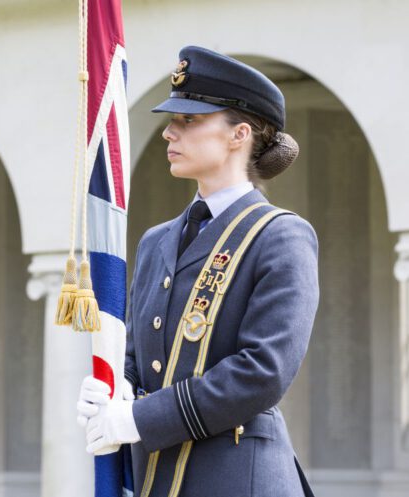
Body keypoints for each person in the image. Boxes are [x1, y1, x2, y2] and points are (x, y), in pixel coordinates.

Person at [77, 45, 319, 497]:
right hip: (158, 477)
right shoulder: (156, 241)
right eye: (173, 119)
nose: (169, 132)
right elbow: (137, 355)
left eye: (189, 120)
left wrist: (137, 418)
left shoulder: (281, 236)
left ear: (238, 134)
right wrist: (114, 390)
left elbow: (262, 371)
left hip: (236, 478)